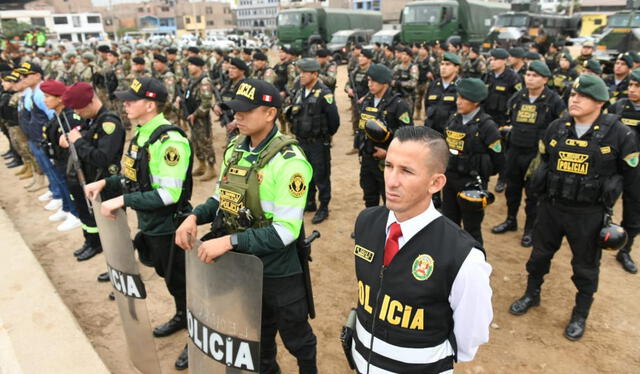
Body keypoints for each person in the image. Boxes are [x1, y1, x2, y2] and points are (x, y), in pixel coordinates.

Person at [175, 78, 318, 373]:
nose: (236, 116)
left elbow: (285, 231)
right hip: (242, 267)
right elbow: (222, 197)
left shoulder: (290, 163)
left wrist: (228, 242)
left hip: (278, 271)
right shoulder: (235, 149)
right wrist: (194, 216)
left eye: (245, 111)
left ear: (270, 113)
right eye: (234, 110)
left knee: (297, 338)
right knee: (255, 334)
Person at [350, 125, 493, 373]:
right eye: (389, 166)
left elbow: (471, 334)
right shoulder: (366, 222)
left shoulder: (462, 256)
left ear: (435, 183)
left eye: (406, 171)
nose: (392, 181)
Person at [508, 75, 640, 341]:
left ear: (601, 102)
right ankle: (532, 294)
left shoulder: (620, 134)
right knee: (539, 257)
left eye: (584, 96)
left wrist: (631, 226)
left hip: (588, 215)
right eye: (573, 95)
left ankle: (580, 313)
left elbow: (633, 184)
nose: (575, 99)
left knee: (586, 267)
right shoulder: (557, 127)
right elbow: (542, 163)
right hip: (552, 208)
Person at [84, 77, 193, 370]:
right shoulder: (143, 134)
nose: (125, 104)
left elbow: (168, 194)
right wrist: (107, 181)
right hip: (152, 225)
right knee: (172, 281)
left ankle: (196, 340)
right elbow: (135, 180)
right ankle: (183, 317)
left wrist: (123, 201)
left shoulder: (170, 140)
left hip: (171, 228)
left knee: (185, 284)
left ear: (150, 103)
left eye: (131, 100)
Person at [491, 61, 565, 247]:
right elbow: (509, 119)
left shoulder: (553, 100)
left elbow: (563, 126)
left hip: (537, 154)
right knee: (512, 190)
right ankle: (510, 220)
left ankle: (530, 229)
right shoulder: (518, 97)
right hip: (515, 150)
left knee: (533, 194)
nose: (530, 79)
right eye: (528, 75)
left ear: (545, 79)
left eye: (535, 76)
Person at [61, 82, 126, 262]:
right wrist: (71, 138)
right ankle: (113, 263)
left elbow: (103, 158)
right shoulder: (92, 120)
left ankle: (123, 266)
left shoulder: (109, 123)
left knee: (115, 232)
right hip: (94, 182)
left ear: (90, 102)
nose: (77, 113)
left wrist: (78, 142)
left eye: (79, 109)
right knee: (103, 229)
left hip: (107, 184)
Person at [442, 78, 504, 245]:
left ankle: (475, 265)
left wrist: (480, 171)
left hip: (472, 183)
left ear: (476, 102)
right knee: (449, 224)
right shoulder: (453, 119)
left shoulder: (487, 126)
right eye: (458, 97)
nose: (458, 101)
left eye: (463, 98)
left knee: (471, 229)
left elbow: (498, 159)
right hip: (450, 180)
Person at [288, 58, 340, 224]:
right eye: (300, 72)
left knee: (321, 174)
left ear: (315, 74)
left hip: (318, 142)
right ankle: (309, 202)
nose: (301, 76)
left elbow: (334, 121)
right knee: (304, 173)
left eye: (305, 73)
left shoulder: (325, 94)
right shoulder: (299, 91)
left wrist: (324, 136)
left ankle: (323, 206)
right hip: (301, 141)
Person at [357, 64, 413, 208]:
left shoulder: (398, 104)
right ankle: (371, 228)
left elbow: (407, 135)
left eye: (373, 81)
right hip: (368, 158)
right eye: (368, 80)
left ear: (385, 82)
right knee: (369, 198)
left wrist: (388, 153)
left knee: (389, 201)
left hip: (388, 163)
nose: (369, 84)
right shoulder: (368, 101)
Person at [607, 68, 640, 274]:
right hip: (615, 166)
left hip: (637, 171)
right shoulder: (618, 106)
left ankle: (625, 250)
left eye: (637, 86)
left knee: (634, 210)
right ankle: (602, 236)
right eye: (631, 85)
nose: (632, 89)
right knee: (604, 201)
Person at [179, 56, 217, 181]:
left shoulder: (204, 82)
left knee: (205, 142)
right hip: (192, 116)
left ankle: (211, 168)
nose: (188, 67)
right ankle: (202, 165)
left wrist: (195, 114)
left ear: (199, 66)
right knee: (195, 141)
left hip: (200, 118)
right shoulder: (192, 80)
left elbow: (206, 103)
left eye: (191, 65)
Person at [423, 52, 461, 134]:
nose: (443, 67)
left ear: (456, 68)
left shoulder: (461, 86)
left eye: (447, 64)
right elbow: (427, 105)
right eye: (442, 64)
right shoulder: (433, 85)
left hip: (451, 132)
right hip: (432, 131)